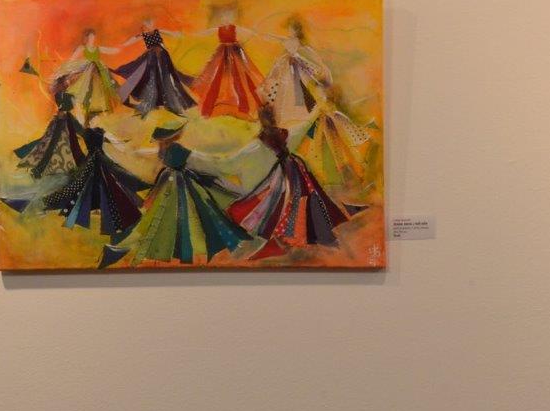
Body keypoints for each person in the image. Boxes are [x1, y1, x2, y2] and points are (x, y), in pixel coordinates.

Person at [98, 121, 252, 268]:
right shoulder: (176, 148)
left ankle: (135, 247)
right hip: (180, 183)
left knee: (163, 217)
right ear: (174, 135)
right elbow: (196, 161)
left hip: (170, 182)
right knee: (195, 212)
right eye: (178, 132)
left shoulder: (163, 149)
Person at [228, 105, 361, 259]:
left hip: (286, 169)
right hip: (295, 165)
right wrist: (316, 112)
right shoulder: (282, 132)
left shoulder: (262, 137)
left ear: (261, 120)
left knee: (288, 199)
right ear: (273, 118)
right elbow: (299, 130)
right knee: (301, 197)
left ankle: (293, 235)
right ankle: (305, 232)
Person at [40, 127, 150, 237]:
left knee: (94, 185)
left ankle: (102, 209)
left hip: (96, 160)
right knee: (83, 185)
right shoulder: (93, 134)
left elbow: (107, 144)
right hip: (95, 161)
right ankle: (50, 204)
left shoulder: (92, 133)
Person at [190, 6, 265, 119]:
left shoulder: (235, 28)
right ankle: (214, 106)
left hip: (235, 54)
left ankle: (243, 107)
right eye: (224, 17)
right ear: (221, 18)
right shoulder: (219, 28)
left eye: (229, 17)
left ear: (232, 18)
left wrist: (254, 32)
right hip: (222, 55)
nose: (226, 19)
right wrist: (195, 34)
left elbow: (247, 32)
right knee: (216, 78)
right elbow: (206, 32)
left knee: (241, 79)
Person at [257, 16, 331, 125]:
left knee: (294, 88)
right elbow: (275, 38)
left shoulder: (296, 42)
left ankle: (297, 114)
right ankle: (284, 114)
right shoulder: (288, 40)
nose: (290, 31)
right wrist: (264, 35)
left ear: (296, 30)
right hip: (287, 65)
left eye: (291, 29)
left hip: (295, 67)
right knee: (284, 88)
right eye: (289, 29)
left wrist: (320, 63)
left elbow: (308, 51)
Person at [115, 18, 196, 116]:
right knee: (154, 78)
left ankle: (171, 100)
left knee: (167, 77)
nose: (149, 26)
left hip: (163, 57)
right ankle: (156, 100)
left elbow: (172, 34)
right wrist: (122, 45)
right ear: (145, 26)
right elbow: (132, 40)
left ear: (152, 24)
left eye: (150, 24)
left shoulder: (158, 31)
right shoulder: (143, 35)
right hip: (152, 58)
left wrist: (177, 34)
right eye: (147, 24)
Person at [13, 89, 86, 179]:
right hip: (59, 142)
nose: (73, 105)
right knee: (50, 152)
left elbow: (77, 129)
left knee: (50, 152)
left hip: (59, 143)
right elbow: (77, 129)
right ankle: (39, 170)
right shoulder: (64, 116)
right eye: (72, 103)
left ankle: (39, 170)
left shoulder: (63, 116)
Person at [51, 29, 121, 121]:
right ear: (86, 38)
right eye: (89, 37)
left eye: (92, 37)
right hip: (87, 71)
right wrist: (63, 69)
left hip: (97, 72)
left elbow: (111, 50)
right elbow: (72, 59)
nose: (91, 39)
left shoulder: (97, 48)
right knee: (83, 89)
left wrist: (121, 47)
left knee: (99, 90)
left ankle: (93, 112)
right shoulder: (82, 48)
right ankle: (83, 111)